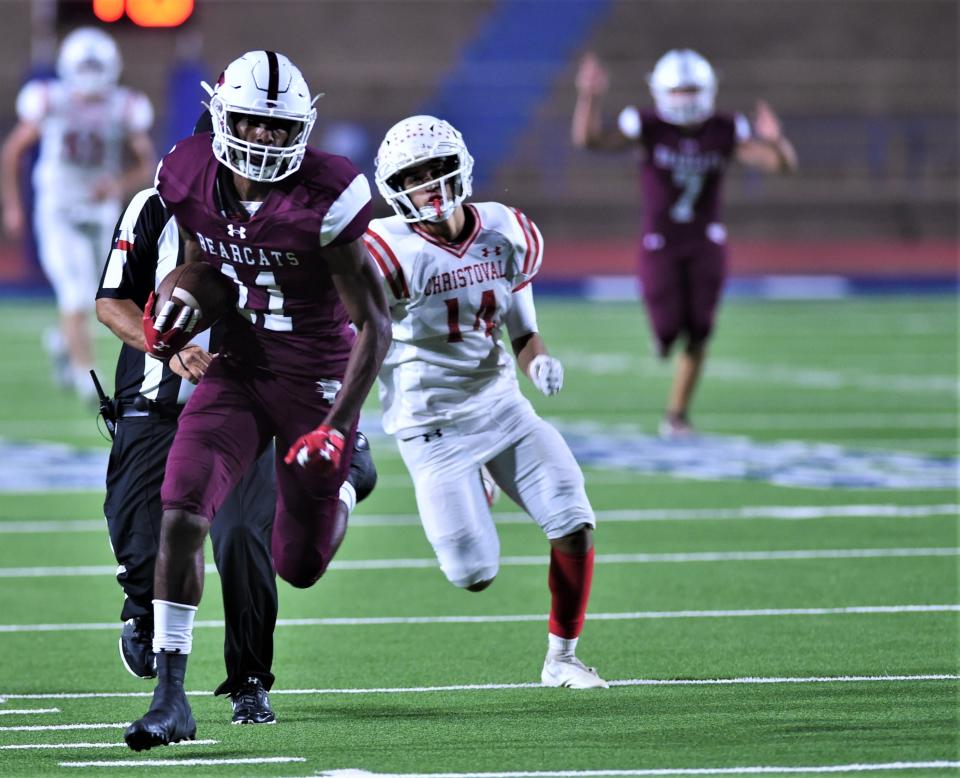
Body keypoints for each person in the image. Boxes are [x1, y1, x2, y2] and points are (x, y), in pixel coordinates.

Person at [123, 51, 391, 751]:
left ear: (301, 128)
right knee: (182, 504)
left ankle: (349, 474)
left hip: (315, 374)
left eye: (279, 128)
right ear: (221, 116)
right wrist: (176, 305)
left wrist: (336, 428)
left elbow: (376, 324)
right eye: (251, 123)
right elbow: (197, 261)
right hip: (238, 365)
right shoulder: (187, 173)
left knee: (296, 565)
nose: (266, 139)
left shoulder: (327, 193)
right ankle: (171, 698)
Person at [95, 171, 378, 723]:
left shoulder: (295, 214)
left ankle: (249, 678)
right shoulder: (155, 206)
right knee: (143, 541)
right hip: (154, 402)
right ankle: (145, 610)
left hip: (244, 397)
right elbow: (112, 302)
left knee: (244, 537)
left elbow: (344, 321)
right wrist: (165, 349)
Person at [367, 115, 607, 690]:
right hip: (431, 426)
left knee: (573, 517)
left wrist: (538, 360)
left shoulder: (507, 231)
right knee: (473, 574)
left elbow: (523, 331)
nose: (429, 182)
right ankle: (477, 483)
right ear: (394, 185)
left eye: (437, 169)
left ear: (460, 167)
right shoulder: (384, 251)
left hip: (502, 406)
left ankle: (562, 658)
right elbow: (358, 342)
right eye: (414, 175)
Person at [572, 49, 798, 437]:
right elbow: (589, 140)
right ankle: (664, 344)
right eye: (677, 90)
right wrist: (589, 96)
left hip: (706, 237)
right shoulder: (646, 123)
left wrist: (777, 142)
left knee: (700, 330)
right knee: (666, 332)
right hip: (660, 240)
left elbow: (781, 165)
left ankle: (676, 414)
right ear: (661, 92)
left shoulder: (727, 127)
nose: (684, 98)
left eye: (691, 89)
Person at [1, 27, 156, 401]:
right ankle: (85, 375)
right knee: (73, 292)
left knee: (93, 294)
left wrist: (117, 185)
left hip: (99, 210)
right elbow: (13, 151)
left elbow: (146, 163)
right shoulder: (50, 99)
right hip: (58, 208)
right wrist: (12, 205)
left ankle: (61, 341)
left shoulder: (123, 105)